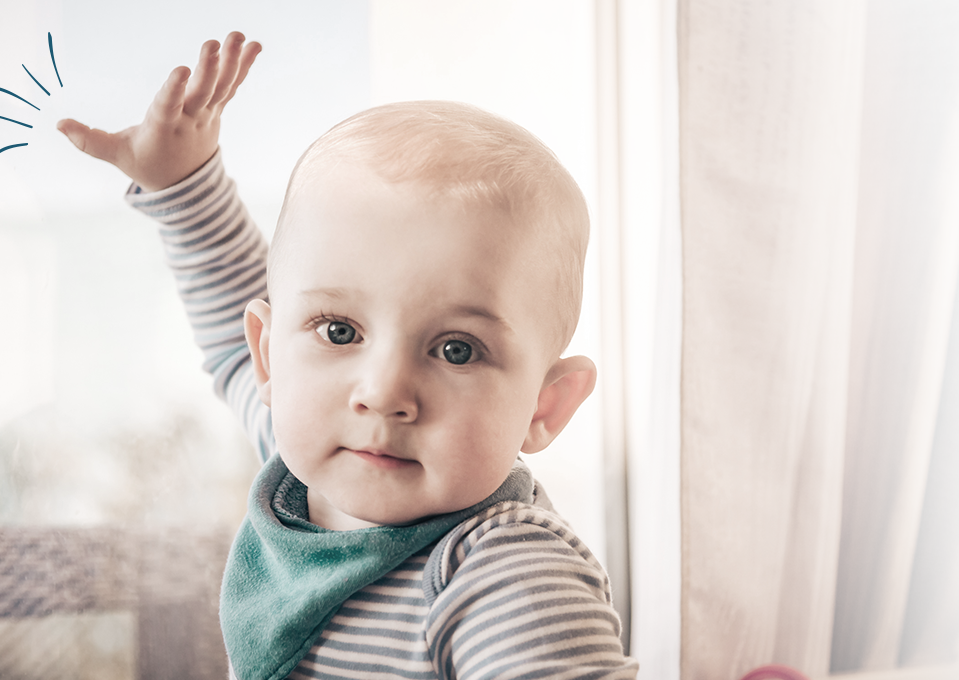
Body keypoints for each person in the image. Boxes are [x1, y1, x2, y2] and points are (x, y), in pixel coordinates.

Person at [58, 32, 637, 680]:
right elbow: (233, 321)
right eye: (339, 332)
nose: (383, 392)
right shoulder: (309, 467)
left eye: (456, 349)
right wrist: (184, 186)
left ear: (544, 406)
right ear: (270, 359)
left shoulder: (503, 573)